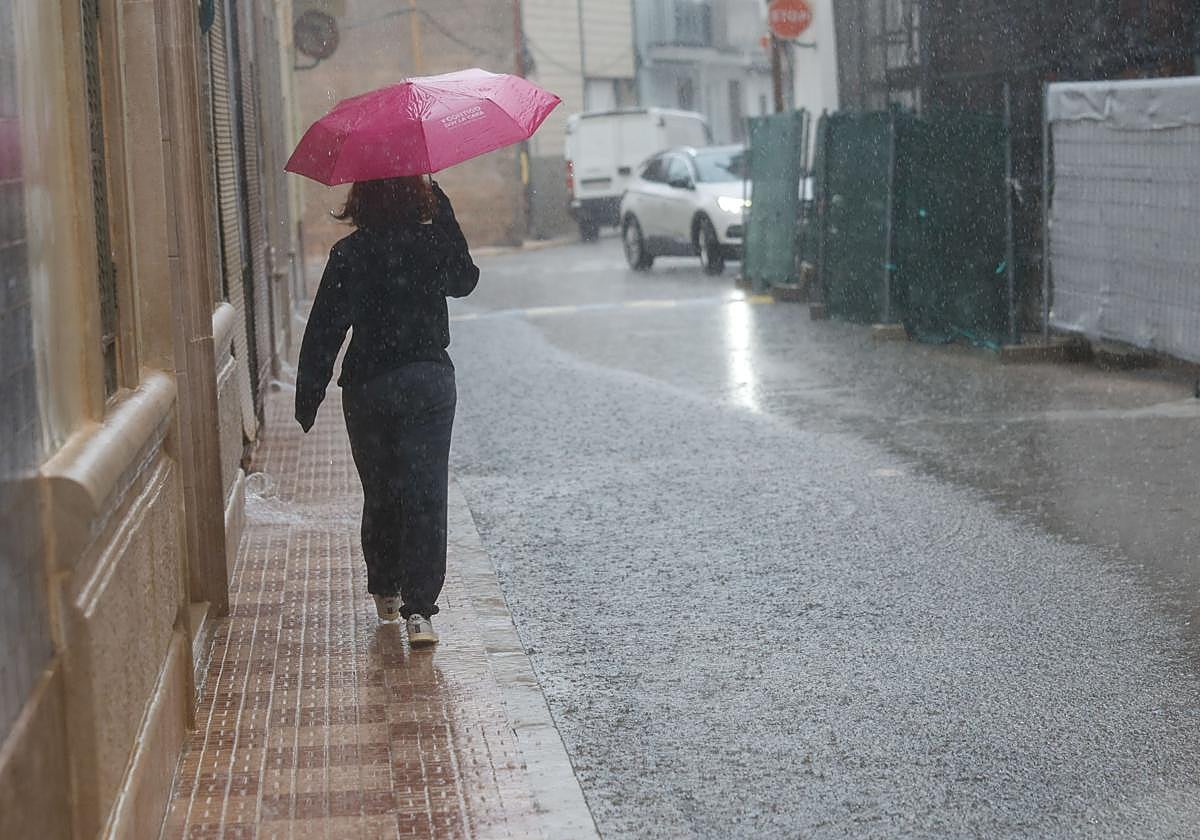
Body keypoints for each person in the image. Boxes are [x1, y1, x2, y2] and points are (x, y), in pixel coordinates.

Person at [294, 176, 479, 647]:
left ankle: (386, 588)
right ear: (415, 195)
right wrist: (445, 212)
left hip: (369, 387)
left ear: (361, 199)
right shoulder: (430, 242)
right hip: (428, 380)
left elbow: (325, 328)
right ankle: (422, 611)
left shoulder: (349, 254)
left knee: (382, 490)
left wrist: (308, 393)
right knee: (426, 491)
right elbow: (465, 279)